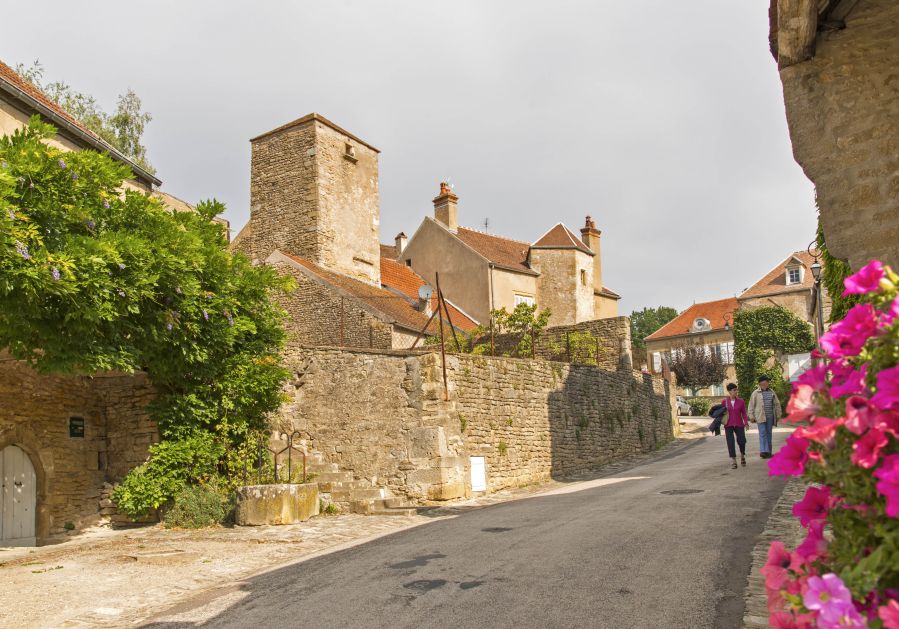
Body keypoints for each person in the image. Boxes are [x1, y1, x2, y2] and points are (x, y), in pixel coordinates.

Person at [748, 375, 782, 458]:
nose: (768, 383)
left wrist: (778, 414)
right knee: (763, 433)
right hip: (760, 416)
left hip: (770, 416)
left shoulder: (772, 392)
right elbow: (751, 405)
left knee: (769, 434)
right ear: (761, 383)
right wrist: (751, 416)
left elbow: (777, 404)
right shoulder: (755, 393)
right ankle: (763, 451)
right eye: (766, 381)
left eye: (768, 381)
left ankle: (769, 452)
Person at [722, 383, 749, 469]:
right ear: (729, 391)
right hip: (728, 425)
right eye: (734, 390)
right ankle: (733, 460)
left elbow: (744, 413)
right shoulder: (724, 402)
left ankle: (742, 455)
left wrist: (746, 423)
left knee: (742, 441)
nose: (736, 392)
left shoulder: (741, 401)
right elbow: (722, 414)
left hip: (739, 424)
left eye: (736, 390)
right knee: (730, 442)